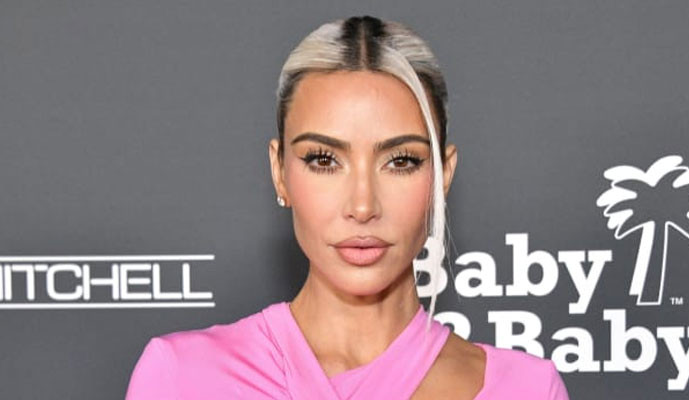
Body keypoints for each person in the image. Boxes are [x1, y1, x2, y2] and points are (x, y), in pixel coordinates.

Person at [125, 15, 570, 399]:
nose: (362, 205)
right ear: (280, 172)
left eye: (401, 161)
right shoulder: (182, 377)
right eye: (324, 160)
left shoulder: (527, 389)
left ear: (442, 175)